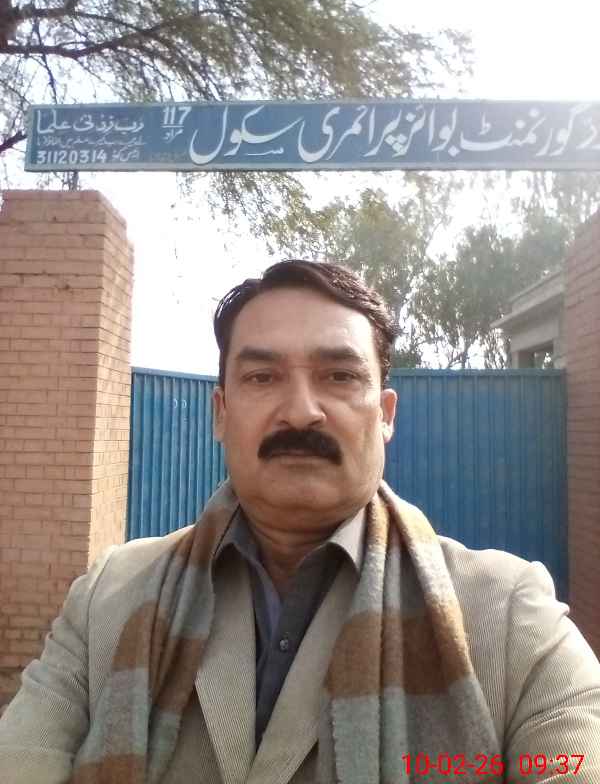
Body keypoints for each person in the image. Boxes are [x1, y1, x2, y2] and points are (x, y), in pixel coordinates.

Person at [1, 260, 599, 784]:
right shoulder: (107, 601)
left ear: (385, 415)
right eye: (262, 377)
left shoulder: (510, 621)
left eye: (339, 376)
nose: (301, 411)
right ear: (221, 413)